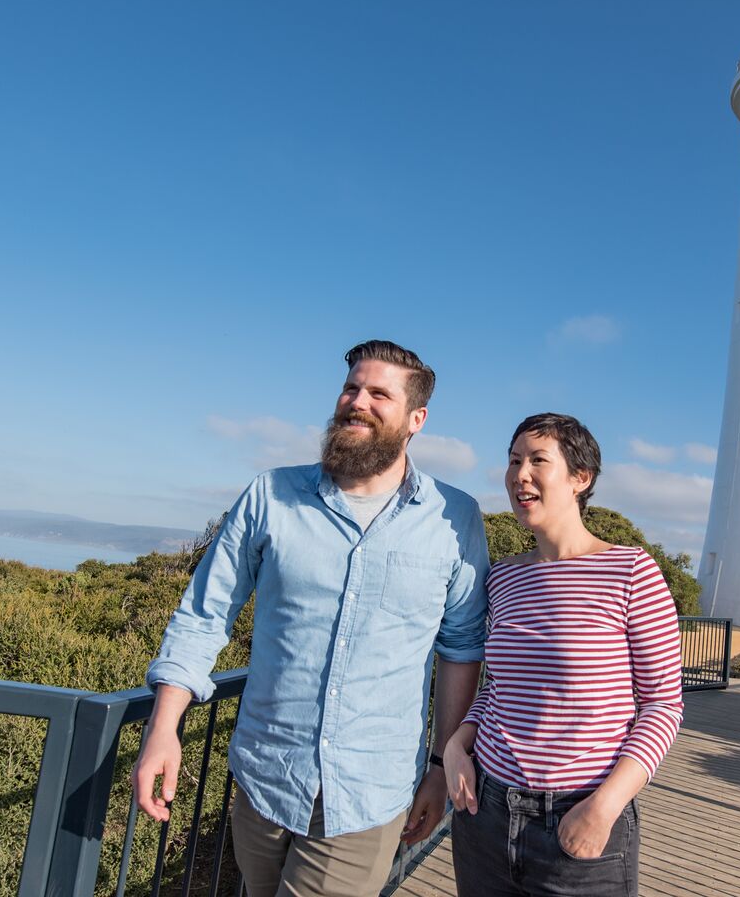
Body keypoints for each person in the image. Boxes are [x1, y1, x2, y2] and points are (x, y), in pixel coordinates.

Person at [134, 340, 490, 897]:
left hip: (368, 795)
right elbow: (205, 614)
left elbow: (461, 647)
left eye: (379, 394)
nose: (357, 402)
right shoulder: (270, 495)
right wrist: (163, 728)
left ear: (417, 419)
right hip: (262, 780)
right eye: (351, 388)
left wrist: (443, 766)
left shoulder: (454, 517)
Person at [441, 413, 684, 897]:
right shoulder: (503, 578)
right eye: (513, 461)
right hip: (484, 814)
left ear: (580, 478)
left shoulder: (630, 571)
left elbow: (663, 705)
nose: (519, 474)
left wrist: (605, 808)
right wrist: (453, 745)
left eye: (537, 460)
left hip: (581, 820)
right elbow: (499, 687)